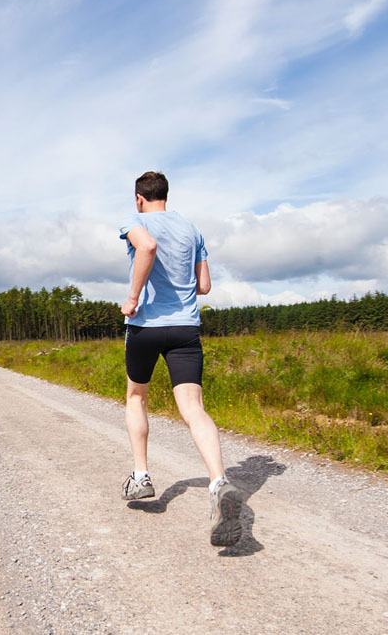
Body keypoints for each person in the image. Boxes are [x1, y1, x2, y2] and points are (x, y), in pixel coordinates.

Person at [117, 171, 243, 547]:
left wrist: (133, 298)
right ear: (166, 195)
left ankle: (141, 476)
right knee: (193, 408)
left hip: (145, 327)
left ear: (139, 198)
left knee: (136, 397)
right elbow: (204, 285)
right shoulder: (191, 229)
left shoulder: (134, 221)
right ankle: (218, 481)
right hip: (186, 328)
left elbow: (147, 247)